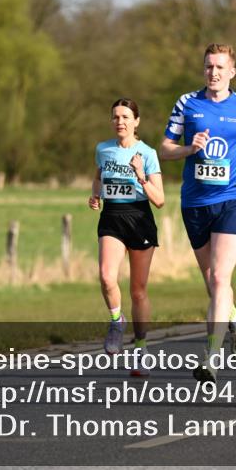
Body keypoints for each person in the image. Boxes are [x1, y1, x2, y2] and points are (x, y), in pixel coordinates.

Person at [160, 44, 236, 381]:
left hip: (234, 197)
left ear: (232, 71)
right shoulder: (187, 103)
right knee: (213, 283)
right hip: (195, 202)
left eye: (220, 67)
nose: (214, 72)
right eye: (209, 66)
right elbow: (164, 148)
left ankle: (211, 356)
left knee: (220, 276)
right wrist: (188, 148)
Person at [89, 98, 165, 377]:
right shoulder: (103, 150)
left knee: (138, 290)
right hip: (111, 218)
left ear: (136, 121)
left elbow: (160, 200)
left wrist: (141, 176)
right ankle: (116, 320)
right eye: (115, 117)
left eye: (125, 116)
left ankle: (142, 350)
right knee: (107, 277)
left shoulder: (147, 153)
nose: (120, 121)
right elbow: (98, 177)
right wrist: (95, 195)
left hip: (140, 220)